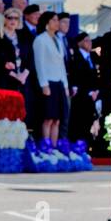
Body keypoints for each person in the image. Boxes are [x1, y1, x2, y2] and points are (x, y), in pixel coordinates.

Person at [32, 10, 69, 144]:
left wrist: (65, 85)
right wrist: (44, 84)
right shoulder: (40, 39)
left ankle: (54, 147)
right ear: (47, 22)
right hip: (48, 83)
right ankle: (46, 146)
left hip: (59, 82)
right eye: (54, 20)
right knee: (48, 118)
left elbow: (61, 64)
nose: (57, 22)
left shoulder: (58, 40)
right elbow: (39, 63)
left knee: (57, 119)